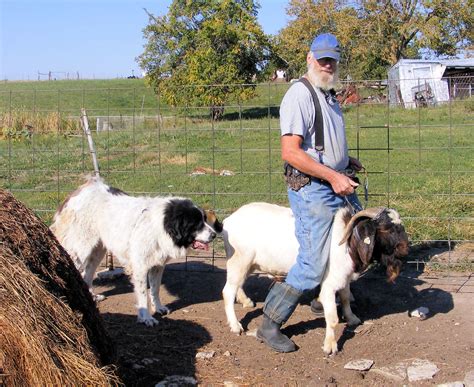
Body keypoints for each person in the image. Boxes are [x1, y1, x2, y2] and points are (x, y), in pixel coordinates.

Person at [256, 33, 363, 352]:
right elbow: (290, 152)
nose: (327, 64)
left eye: (332, 59)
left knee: (351, 243)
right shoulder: (299, 95)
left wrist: (344, 160)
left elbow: (319, 143)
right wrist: (332, 174)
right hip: (313, 190)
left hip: (335, 181)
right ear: (309, 58)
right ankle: (269, 323)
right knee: (313, 262)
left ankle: (322, 298)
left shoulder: (328, 93)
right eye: (322, 58)